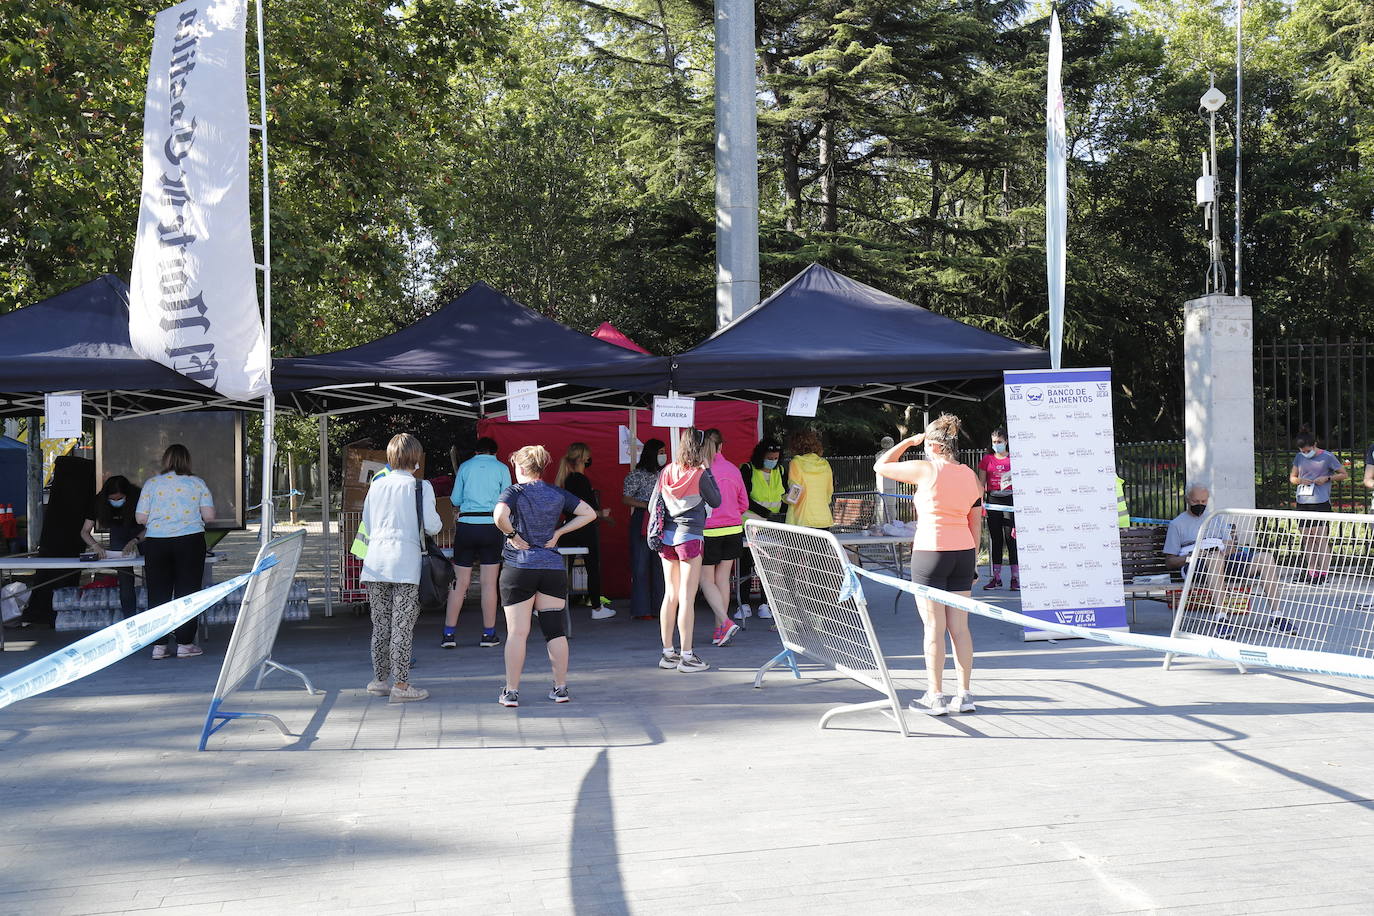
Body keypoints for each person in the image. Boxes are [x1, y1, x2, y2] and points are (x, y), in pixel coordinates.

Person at [874, 414, 982, 716]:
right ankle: (965, 694)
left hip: (931, 551)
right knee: (960, 628)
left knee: (934, 628)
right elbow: (975, 523)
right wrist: (973, 561)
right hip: (962, 552)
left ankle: (935, 695)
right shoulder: (970, 475)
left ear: (933, 445)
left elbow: (880, 466)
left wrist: (908, 441)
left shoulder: (925, 468)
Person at [493, 445, 597, 707]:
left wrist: (513, 536)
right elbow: (589, 513)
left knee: (517, 633)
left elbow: (499, 516)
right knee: (555, 631)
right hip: (551, 568)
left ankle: (511, 691)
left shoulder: (514, 492)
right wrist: (559, 533)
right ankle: (560, 688)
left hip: (519, 568)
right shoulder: (557, 492)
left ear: (521, 468)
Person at [358, 433, 442, 703]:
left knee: (380, 625)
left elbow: (368, 525)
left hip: (375, 563)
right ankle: (402, 686)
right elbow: (431, 525)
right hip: (406, 564)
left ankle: (379, 680)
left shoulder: (377, 485)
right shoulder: (421, 487)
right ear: (416, 458)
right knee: (402, 626)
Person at [1163, 484, 1291, 635]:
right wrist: (1196, 555)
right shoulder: (1177, 524)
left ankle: (1277, 617)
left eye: (1204, 501)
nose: (1200, 505)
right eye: (1196, 501)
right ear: (1188, 500)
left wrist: (1225, 551)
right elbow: (1170, 561)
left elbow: (1231, 545)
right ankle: (1221, 618)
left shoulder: (1215, 518)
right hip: (1196, 563)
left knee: (1265, 558)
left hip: (1226, 559)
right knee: (1215, 559)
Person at [650, 427, 721, 672]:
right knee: (687, 598)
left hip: (666, 538)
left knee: (670, 595)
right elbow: (716, 501)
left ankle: (667, 652)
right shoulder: (700, 474)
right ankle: (687, 656)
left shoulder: (666, 470)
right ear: (700, 448)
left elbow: (653, 504)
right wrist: (707, 470)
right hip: (690, 537)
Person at [135, 444, 215, 660]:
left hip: (157, 543)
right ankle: (185, 644)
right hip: (189, 541)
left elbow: (141, 518)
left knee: (158, 592)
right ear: (187, 461)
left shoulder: (152, 484)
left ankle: (159, 646)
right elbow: (209, 516)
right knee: (187, 592)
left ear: (165, 461)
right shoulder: (198, 484)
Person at [443, 437, 511, 649]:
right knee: (489, 584)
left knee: (459, 583)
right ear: (495, 452)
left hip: (467, 526)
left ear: (476, 451)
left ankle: (448, 635)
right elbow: (508, 499)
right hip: (492, 527)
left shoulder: (464, 467)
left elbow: (455, 499)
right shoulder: (502, 468)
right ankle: (488, 634)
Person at [554, 442, 614, 617]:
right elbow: (588, 510)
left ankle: (546, 604)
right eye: (587, 456)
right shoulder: (580, 480)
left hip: (569, 527)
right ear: (581, 458)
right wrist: (603, 513)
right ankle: (597, 607)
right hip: (584, 528)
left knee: (563, 568)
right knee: (592, 567)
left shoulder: (567, 480)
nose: (589, 459)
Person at [699, 429, 747, 647]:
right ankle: (720, 629)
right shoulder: (733, 469)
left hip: (708, 531)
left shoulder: (700, 470)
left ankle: (725, 623)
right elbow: (743, 504)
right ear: (721, 446)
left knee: (705, 580)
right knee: (723, 579)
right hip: (734, 529)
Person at [80, 476, 144, 620]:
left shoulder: (139, 497)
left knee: (153, 573)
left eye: (120, 498)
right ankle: (130, 619)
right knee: (125, 578)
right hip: (119, 531)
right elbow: (84, 531)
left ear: (127, 495)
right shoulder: (98, 501)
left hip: (142, 531)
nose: (116, 502)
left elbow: (152, 527)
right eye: (112, 499)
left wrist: (135, 540)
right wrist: (96, 546)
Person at [1289, 426, 1347, 584]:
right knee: (1307, 538)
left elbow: (1343, 474)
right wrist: (1300, 480)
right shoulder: (1299, 457)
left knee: (1320, 539)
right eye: (1302, 451)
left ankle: (1324, 572)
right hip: (1303, 501)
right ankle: (1312, 572)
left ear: (1314, 445)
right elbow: (1293, 478)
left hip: (1320, 502)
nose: (1305, 453)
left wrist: (1327, 479)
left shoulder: (1327, 457)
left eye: (1308, 450)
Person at [737, 439, 786, 620]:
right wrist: (765, 512)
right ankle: (744, 604)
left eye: (775, 458)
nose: (773, 461)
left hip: (772, 526)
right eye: (769, 458)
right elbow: (744, 498)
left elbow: (784, 495)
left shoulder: (780, 470)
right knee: (746, 564)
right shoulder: (748, 469)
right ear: (761, 456)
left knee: (769, 565)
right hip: (749, 523)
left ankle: (766, 604)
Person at [622, 438, 667, 620]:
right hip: (643, 518)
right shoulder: (637, 474)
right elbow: (626, 498)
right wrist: (648, 504)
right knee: (640, 565)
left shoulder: (666, 472)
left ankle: (661, 607)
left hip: (663, 519)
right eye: (661, 452)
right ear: (652, 453)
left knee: (661, 565)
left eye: (665, 452)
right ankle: (642, 609)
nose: (664, 456)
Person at [975, 427, 1017, 591]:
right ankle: (996, 577)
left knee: (1011, 539)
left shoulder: (1013, 459)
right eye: (994, 442)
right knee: (996, 540)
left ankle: (1015, 578)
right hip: (993, 501)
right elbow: (981, 484)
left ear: (1006, 441)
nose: (996, 445)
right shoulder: (987, 460)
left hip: (1010, 500)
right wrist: (981, 503)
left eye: (999, 442)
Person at [785, 429, 833, 529]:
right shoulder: (825, 464)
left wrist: (783, 498)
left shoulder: (796, 463)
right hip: (824, 518)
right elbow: (829, 493)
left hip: (803, 520)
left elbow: (794, 495)